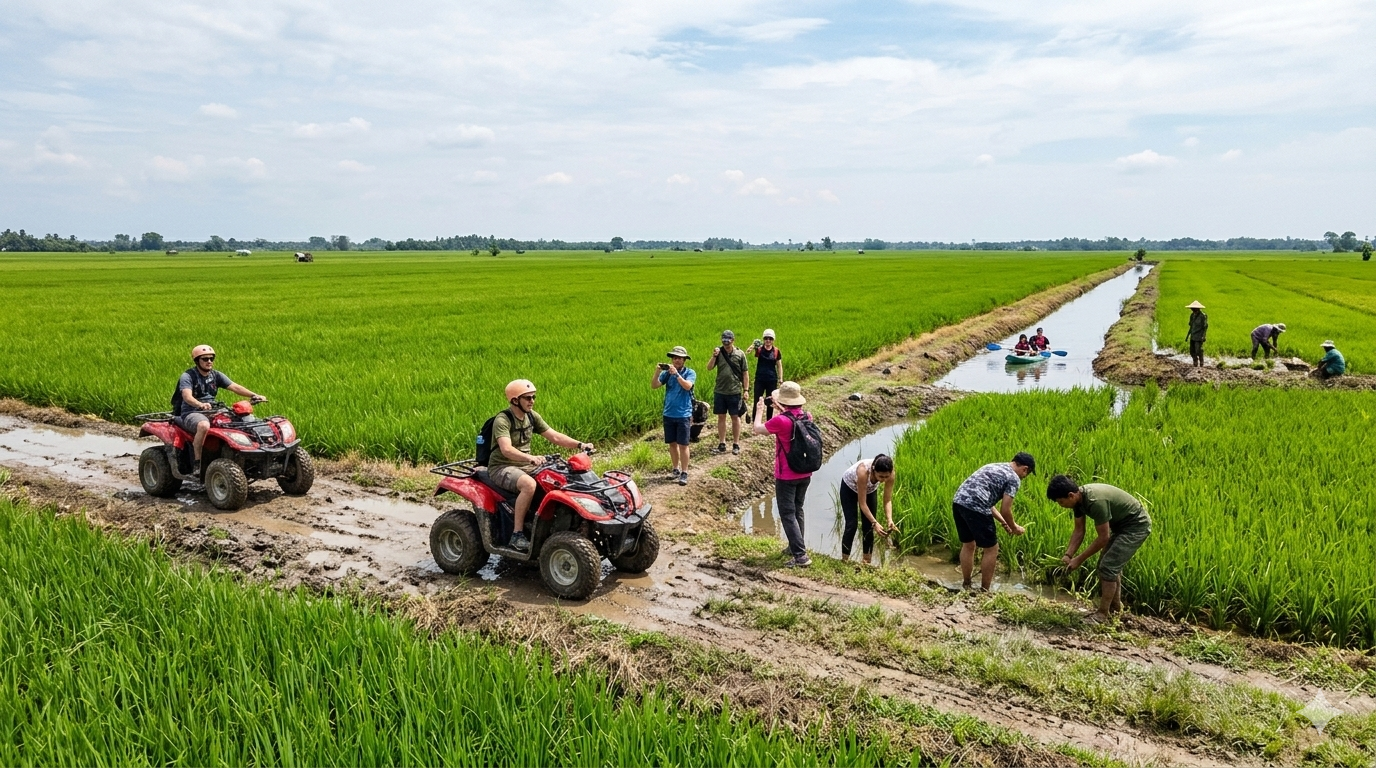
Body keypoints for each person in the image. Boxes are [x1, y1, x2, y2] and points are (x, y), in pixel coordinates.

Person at [488, 379, 594, 552]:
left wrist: (580, 445)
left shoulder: (531, 416)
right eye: (528, 398)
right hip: (502, 466)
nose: (532, 401)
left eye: (533, 397)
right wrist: (530, 458)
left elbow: (555, 436)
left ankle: (552, 525)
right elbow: (506, 449)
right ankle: (517, 535)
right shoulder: (502, 420)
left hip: (526, 464)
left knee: (559, 480)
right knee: (528, 485)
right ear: (515, 400)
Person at [1046, 475, 1152, 623]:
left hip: (1136, 526)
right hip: (1121, 526)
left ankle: (1102, 614)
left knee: (1108, 567)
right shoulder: (1078, 501)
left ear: (1071, 495)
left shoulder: (1095, 502)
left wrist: (1079, 560)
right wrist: (1068, 555)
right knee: (1108, 566)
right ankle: (1115, 610)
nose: (1060, 505)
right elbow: (1079, 531)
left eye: (1061, 502)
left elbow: (1103, 538)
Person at [171, 345, 266, 475]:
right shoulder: (188, 376)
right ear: (197, 361)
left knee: (243, 420)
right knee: (203, 425)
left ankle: (252, 453)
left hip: (213, 410)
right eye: (205, 359)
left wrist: (254, 395)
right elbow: (187, 396)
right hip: (192, 412)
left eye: (211, 358)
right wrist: (200, 404)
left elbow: (235, 387)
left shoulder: (215, 375)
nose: (209, 361)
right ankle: (198, 462)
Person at [951, 453, 1034, 590]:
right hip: (976, 507)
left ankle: (966, 584)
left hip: (958, 502)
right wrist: (1015, 528)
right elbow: (1005, 509)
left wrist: (1004, 522)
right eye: (1027, 474)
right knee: (992, 549)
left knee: (968, 544)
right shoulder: (1014, 478)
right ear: (1025, 469)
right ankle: (985, 591)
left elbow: (987, 502)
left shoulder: (993, 466)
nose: (1024, 477)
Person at [752, 381, 813, 567]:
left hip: (786, 474)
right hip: (805, 472)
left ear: (783, 401)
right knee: (798, 509)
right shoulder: (807, 416)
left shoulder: (780, 421)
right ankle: (794, 546)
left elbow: (757, 429)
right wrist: (780, 408)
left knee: (787, 513)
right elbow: (791, 418)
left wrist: (759, 410)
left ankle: (800, 556)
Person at [651, 346, 696, 486]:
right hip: (668, 413)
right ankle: (675, 469)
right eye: (675, 358)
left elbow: (687, 386)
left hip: (683, 414)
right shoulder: (667, 374)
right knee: (672, 443)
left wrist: (676, 375)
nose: (677, 360)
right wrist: (657, 371)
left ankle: (684, 472)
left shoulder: (690, 372)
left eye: (680, 358)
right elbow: (654, 385)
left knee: (683, 444)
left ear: (684, 360)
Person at [839, 454, 896, 563]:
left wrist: (890, 520)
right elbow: (862, 504)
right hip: (849, 488)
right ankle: (844, 560)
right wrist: (875, 523)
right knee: (852, 524)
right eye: (881, 477)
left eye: (886, 477)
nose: (883, 480)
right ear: (874, 470)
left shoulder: (891, 473)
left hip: (870, 490)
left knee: (868, 527)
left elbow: (887, 500)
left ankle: (866, 562)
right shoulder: (863, 471)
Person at [707, 330, 750, 455]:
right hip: (720, 390)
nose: (726, 343)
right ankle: (722, 443)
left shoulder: (740, 354)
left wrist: (746, 390)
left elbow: (745, 373)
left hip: (735, 391)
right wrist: (714, 356)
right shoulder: (718, 353)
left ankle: (736, 444)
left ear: (733, 340)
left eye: (728, 340)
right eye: (724, 340)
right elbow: (709, 368)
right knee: (721, 417)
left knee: (735, 417)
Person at [750, 330, 783, 422]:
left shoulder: (776, 351)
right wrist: (752, 346)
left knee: (770, 401)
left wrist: (780, 378)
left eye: (770, 338)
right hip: (759, 379)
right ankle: (755, 420)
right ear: (763, 339)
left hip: (772, 379)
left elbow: (779, 365)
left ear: (773, 340)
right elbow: (751, 350)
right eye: (766, 338)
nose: (768, 340)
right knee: (757, 400)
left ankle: (769, 421)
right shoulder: (759, 349)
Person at [1187, 301, 1208, 367]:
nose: (1192, 309)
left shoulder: (1203, 316)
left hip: (1199, 336)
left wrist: (1203, 336)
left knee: (1198, 350)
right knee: (1191, 351)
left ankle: (1201, 362)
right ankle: (1195, 361)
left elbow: (1205, 327)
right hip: (1193, 335)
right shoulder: (1192, 315)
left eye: (1193, 308)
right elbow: (1191, 325)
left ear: (1197, 308)